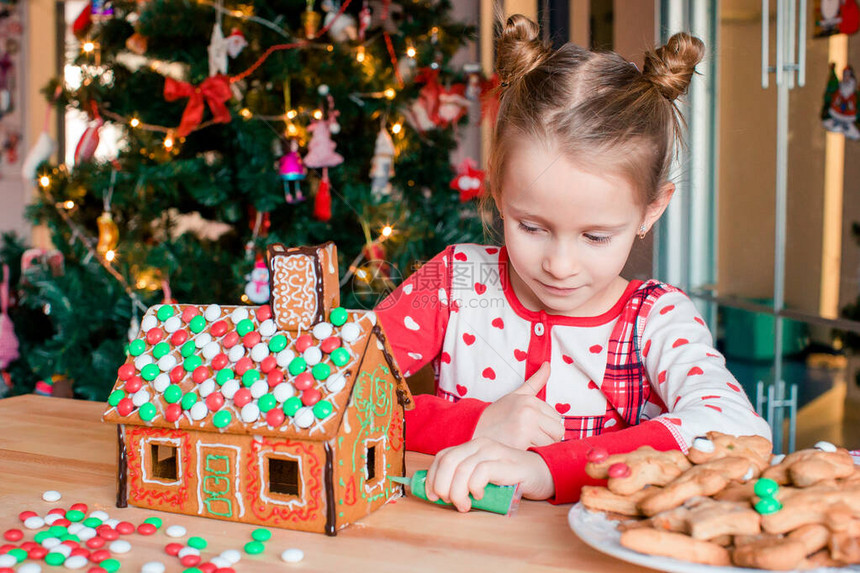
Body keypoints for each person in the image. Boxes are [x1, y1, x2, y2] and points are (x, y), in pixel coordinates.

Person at [375, 14, 772, 512]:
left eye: (596, 236)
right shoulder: (454, 278)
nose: (559, 265)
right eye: (532, 227)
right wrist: (475, 424)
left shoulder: (657, 319)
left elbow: (734, 430)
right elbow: (329, 392)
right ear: (498, 189)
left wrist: (548, 468)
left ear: (651, 209)